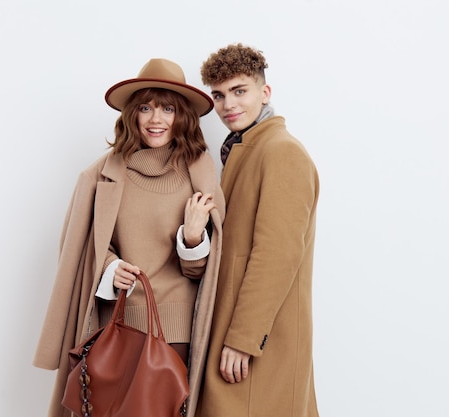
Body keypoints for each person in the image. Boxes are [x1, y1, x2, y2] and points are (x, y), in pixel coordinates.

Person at [33, 58, 225, 417]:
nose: (156, 119)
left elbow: (203, 274)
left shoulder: (199, 172)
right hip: (116, 327)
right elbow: (82, 248)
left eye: (168, 108)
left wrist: (195, 235)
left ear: (182, 115)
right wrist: (110, 267)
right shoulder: (101, 174)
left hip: (176, 334)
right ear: (132, 115)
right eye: (146, 107)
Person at [196, 43, 320, 417]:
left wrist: (245, 339)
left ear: (264, 93)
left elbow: (278, 255)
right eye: (218, 95)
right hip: (234, 329)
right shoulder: (245, 148)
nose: (227, 105)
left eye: (239, 91)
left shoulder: (281, 152)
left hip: (258, 341)